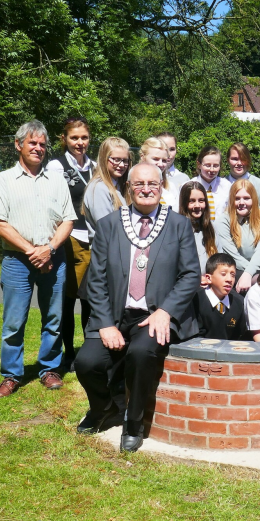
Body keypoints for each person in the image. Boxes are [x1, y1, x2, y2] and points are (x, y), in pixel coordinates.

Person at [75, 162, 200, 452]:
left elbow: (191, 274)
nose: (146, 189)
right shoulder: (109, 224)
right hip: (115, 315)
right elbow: (96, 279)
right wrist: (105, 323)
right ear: (129, 188)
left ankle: (134, 422)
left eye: (152, 184)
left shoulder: (178, 224)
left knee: (141, 354)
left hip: (154, 314)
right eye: (139, 184)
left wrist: (166, 311)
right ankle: (103, 407)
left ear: (161, 187)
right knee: (86, 363)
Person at [0, 119, 77, 397]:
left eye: (42, 144)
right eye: (32, 143)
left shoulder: (57, 179)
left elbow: (68, 220)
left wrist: (49, 249)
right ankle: (11, 375)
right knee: (14, 322)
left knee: (54, 318)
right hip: (17, 261)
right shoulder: (4, 179)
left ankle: (49, 369)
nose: (38, 148)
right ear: (18, 145)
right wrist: (33, 251)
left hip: (54, 258)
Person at [46, 117, 96, 371]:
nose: (80, 143)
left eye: (84, 137)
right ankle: (67, 352)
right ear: (64, 139)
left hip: (92, 240)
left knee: (89, 299)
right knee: (67, 299)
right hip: (68, 239)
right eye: (74, 137)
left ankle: (87, 352)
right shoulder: (56, 166)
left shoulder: (95, 166)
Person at [214, 179, 260, 294]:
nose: (242, 202)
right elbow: (232, 255)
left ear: (254, 199)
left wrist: (249, 273)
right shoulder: (222, 221)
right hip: (234, 270)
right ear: (232, 200)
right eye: (237, 198)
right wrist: (249, 273)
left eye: (246, 198)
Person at [82, 137, 132, 240]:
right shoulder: (99, 188)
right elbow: (106, 228)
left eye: (125, 160)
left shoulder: (120, 185)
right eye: (116, 160)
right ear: (104, 159)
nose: (121, 165)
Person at [191, 253, 249, 340]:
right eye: (223, 274)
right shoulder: (196, 300)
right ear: (208, 278)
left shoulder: (238, 303)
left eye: (232, 275)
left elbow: (240, 337)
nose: (229, 279)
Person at [178, 181, 218, 276]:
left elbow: (218, 261)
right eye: (191, 201)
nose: (197, 205)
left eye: (201, 200)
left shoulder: (211, 227)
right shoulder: (177, 228)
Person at [225, 142, 260, 212]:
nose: (239, 163)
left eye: (243, 159)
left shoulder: (259, 185)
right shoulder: (220, 185)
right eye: (235, 159)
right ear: (228, 160)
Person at [139, 137, 180, 212]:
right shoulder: (133, 186)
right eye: (155, 159)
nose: (161, 164)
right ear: (143, 157)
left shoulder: (170, 187)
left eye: (164, 160)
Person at [190, 146, 230, 220]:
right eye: (207, 165)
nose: (211, 169)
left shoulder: (227, 186)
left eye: (215, 166)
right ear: (199, 165)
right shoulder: (189, 186)